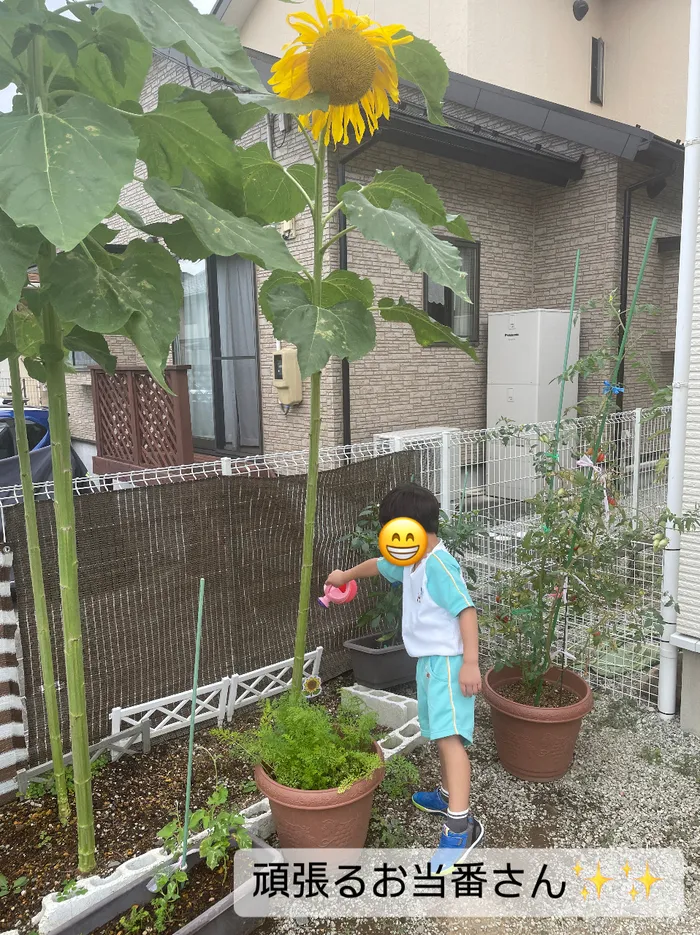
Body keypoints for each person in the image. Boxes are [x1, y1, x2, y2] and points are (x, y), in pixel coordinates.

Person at [326, 482, 484, 873]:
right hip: (429, 662)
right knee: (437, 734)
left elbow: (466, 611)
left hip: (449, 664)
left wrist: (471, 663)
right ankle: (448, 795)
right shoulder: (410, 559)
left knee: (451, 741)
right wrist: (344, 574)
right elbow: (379, 566)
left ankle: (459, 828)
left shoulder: (438, 565)